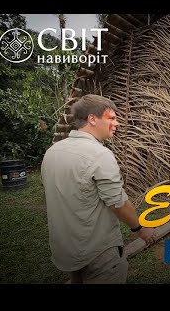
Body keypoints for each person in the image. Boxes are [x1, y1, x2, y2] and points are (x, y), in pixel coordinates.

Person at [41, 94, 156, 284]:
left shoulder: (53, 152)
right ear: (92, 119)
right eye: (111, 118)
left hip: (67, 249)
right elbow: (117, 203)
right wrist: (140, 228)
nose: (117, 123)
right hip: (97, 250)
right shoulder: (99, 154)